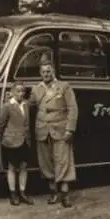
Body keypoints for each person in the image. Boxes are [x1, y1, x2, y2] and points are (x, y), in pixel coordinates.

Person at [29, 57, 79, 208]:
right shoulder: (36, 89)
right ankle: (53, 193)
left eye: (48, 71)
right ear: (40, 73)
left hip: (61, 129)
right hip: (42, 130)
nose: (46, 74)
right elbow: (30, 106)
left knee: (63, 161)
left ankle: (65, 195)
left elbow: (72, 108)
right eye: (43, 71)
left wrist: (70, 128)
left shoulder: (64, 86)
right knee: (46, 163)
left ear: (53, 71)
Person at [0, 82, 34, 206]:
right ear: (12, 92)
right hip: (11, 141)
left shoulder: (26, 105)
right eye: (17, 91)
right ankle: (13, 193)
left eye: (22, 91)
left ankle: (22, 192)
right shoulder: (7, 106)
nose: (20, 93)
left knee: (24, 166)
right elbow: (1, 124)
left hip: (24, 140)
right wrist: (7, 136)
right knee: (12, 167)